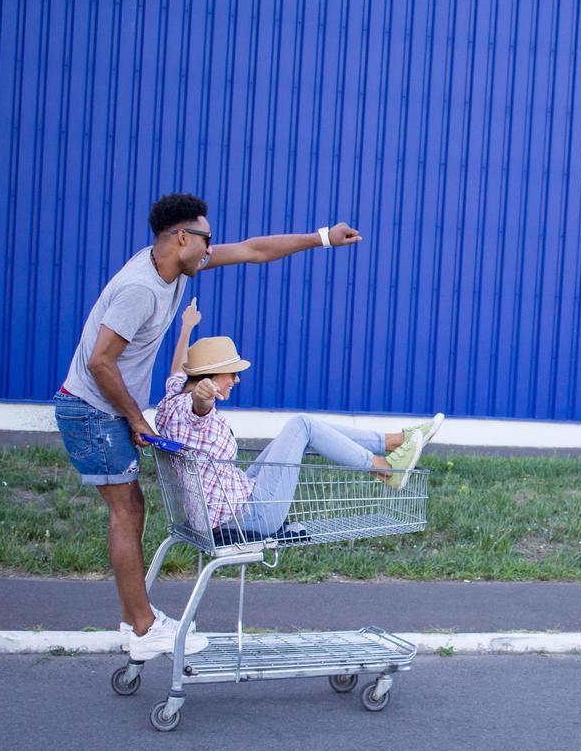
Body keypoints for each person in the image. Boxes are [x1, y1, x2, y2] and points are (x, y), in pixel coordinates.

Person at [55, 192, 363, 660]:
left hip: (103, 408)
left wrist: (321, 238)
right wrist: (137, 418)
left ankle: (140, 623)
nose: (211, 249)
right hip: (91, 408)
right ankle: (141, 628)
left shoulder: (172, 267)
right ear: (182, 236)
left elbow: (254, 250)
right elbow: (100, 361)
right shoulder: (141, 287)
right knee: (127, 511)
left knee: (131, 509)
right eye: (206, 240)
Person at [154, 298, 442, 542]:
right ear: (209, 376)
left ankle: (394, 442)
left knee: (302, 432)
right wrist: (203, 397)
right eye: (232, 372)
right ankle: (387, 465)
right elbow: (198, 409)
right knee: (302, 425)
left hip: (235, 500)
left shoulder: (172, 398)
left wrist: (186, 328)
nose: (236, 379)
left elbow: (180, 369)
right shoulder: (191, 409)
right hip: (251, 516)